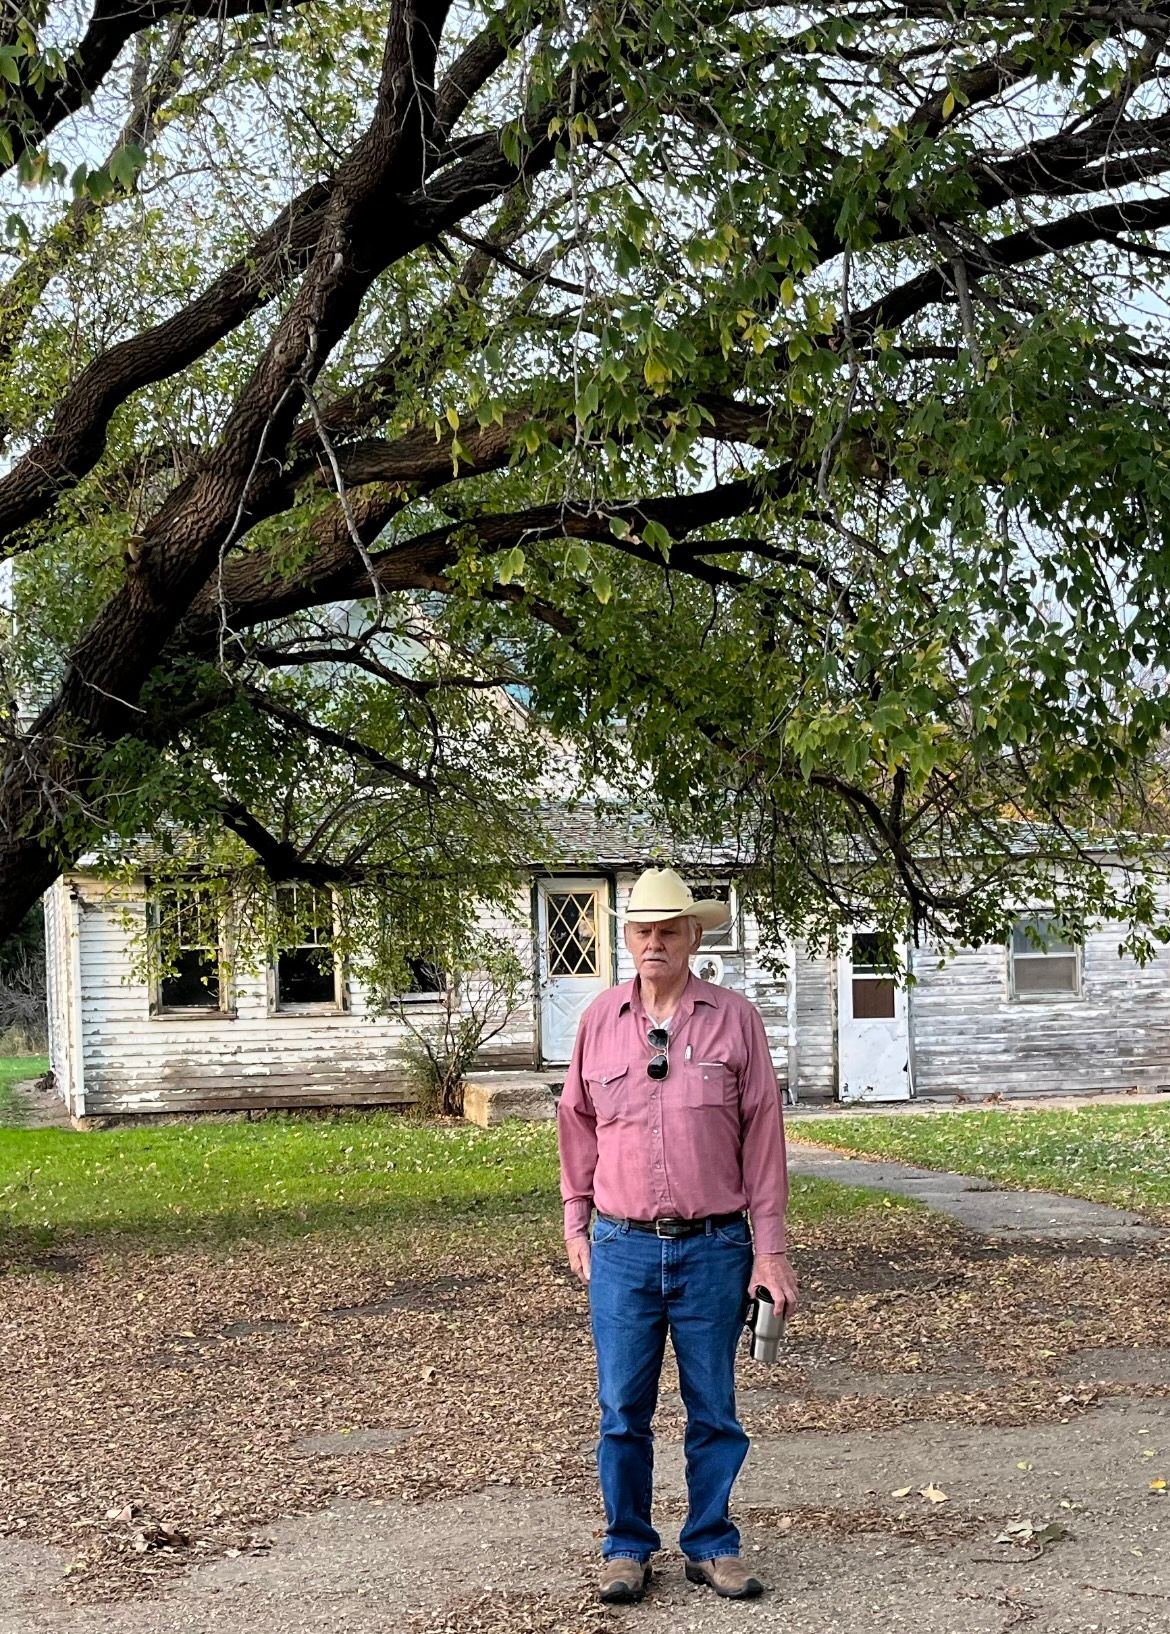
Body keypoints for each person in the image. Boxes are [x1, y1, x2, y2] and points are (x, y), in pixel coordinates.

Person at [556, 867, 797, 1605]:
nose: (653, 942)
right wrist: (575, 1219)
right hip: (623, 1246)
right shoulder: (598, 1019)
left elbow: (763, 1137)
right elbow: (576, 1122)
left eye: (668, 930)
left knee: (714, 1408)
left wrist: (771, 1249)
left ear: (695, 935)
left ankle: (711, 1544)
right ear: (625, 938)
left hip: (714, 1247)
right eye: (641, 930)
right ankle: (626, 1548)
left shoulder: (735, 1020)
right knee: (622, 1409)